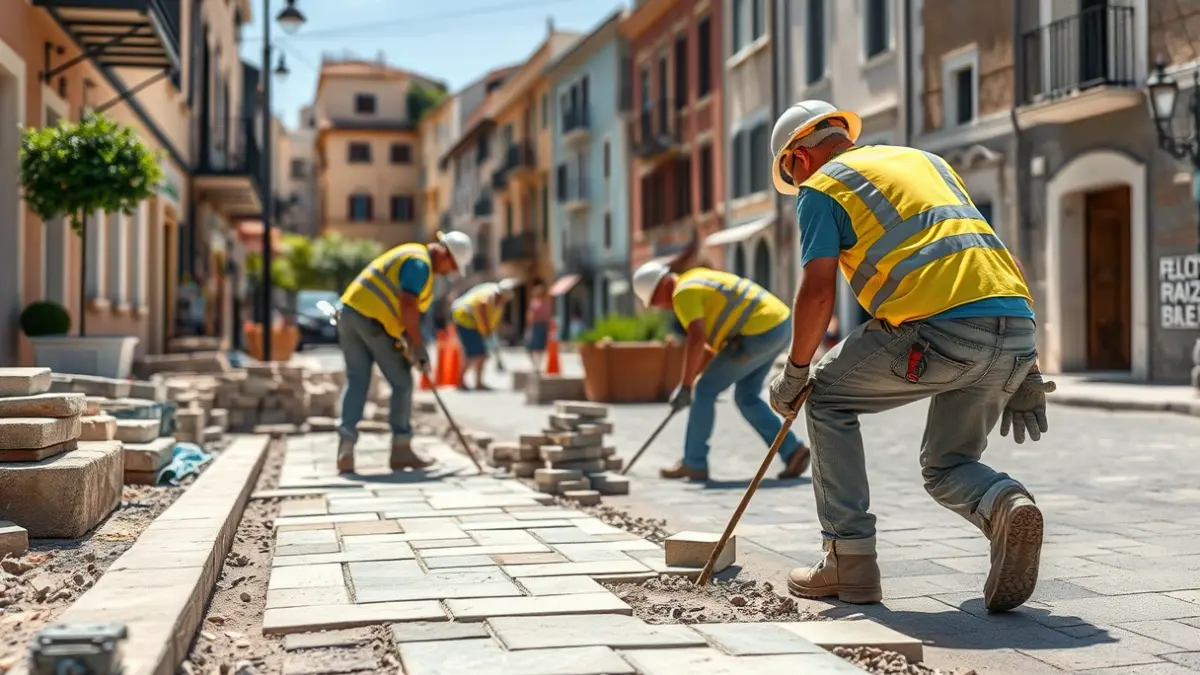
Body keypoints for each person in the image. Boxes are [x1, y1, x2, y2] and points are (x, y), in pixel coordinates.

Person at [765, 100, 1055, 612]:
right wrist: (1026, 365)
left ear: (797, 159)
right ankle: (1005, 503)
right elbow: (993, 252)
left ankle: (847, 560)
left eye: (790, 174)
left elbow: (816, 293)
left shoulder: (821, 187)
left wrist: (794, 373)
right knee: (949, 465)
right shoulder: (927, 163)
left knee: (827, 398)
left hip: (938, 329)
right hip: (1016, 329)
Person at [631, 262, 811, 481]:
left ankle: (694, 462)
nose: (659, 307)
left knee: (704, 391)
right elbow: (708, 347)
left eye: (654, 301)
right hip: (778, 324)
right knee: (747, 397)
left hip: (757, 331)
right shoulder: (695, 277)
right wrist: (692, 378)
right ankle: (793, 451)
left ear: (660, 288)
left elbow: (696, 339)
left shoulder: (682, 294)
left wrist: (688, 386)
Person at [336, 231, 474, 474]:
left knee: (357, 380)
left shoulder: (409, 253)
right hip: (372, 320)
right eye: (451, 265)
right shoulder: (419, 263)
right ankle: (401, 449)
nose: (449, 271)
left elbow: (398, 308)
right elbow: (407, 303)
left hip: (349, 314)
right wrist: (418, 344)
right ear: (444, 253)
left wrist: (407, 342)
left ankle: (345, 449)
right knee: (402, 382)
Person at [451, 278, 518, 390]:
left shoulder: (499, 302)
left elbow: (493, 320)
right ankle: (461, 381)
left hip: (474, 324)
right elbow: (482, 315)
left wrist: (490, 332)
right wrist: (486, 331)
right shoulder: (487, 297)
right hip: (464, 319)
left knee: (481, 354)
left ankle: (477, 383)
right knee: (475, 353)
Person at [525, 279, 551, 369]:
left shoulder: (534, 303)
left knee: (531, 346)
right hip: (543, 326)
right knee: (539, 346)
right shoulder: (547, 303)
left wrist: (528, 326)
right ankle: (537, 363)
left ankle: (536, 364)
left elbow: (530, 317)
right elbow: (548, 316)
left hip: (536, 326)